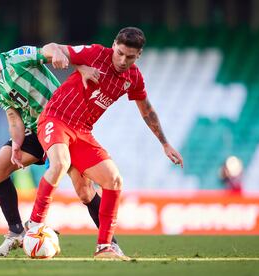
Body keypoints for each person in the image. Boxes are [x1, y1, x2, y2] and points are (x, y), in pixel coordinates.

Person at [26, 27, 184, 260]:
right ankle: (34, 225)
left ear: (138, 55)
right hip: (56, 117)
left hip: (82, 131)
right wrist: (68, 60)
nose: (122, 60)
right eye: (119, 53)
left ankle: (104, 247)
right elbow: (55, 49)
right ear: (114, 45)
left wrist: (165, 143)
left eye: (129, 57)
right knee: (60, 163)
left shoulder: (133, 78)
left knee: (113, 180)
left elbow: (146, 110)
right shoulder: (95, 54)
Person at [0, 32, 122, 257]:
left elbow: (49, 50)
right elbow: (14, 118)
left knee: (85, 191)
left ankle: (110, 244)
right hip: (34, 132)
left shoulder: (16, 57)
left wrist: (76, 65)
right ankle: (16, 232)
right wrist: (17, 145)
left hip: (60, 122)